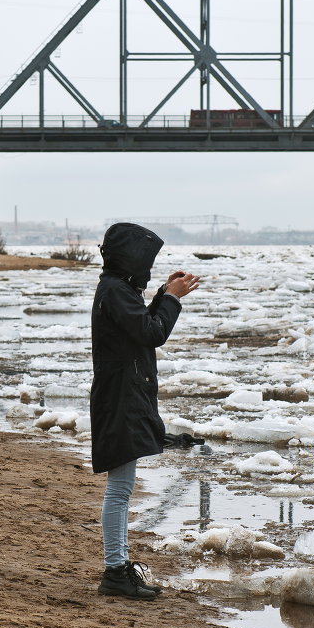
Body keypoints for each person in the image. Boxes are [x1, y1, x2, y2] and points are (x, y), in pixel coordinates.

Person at [90, 222, 201, 600]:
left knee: (121, 488)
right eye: (146, 261)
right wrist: (171, 298)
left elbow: (140, 327)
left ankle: (117, 567)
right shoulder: (115, 291)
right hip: (120, 398)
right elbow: (153, 333)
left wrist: (161, 295)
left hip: (124, 396)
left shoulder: (117, 289)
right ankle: (115, 571)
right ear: (131, 259)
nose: (149, 267)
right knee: (120, 490)